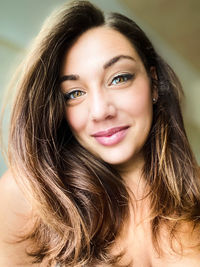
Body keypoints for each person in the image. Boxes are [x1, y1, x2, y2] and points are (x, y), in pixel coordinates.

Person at [0, 0, 200, 266]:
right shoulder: (30, 196)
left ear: (153, 83)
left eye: (119, 78)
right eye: (74, 93)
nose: (99, 111)